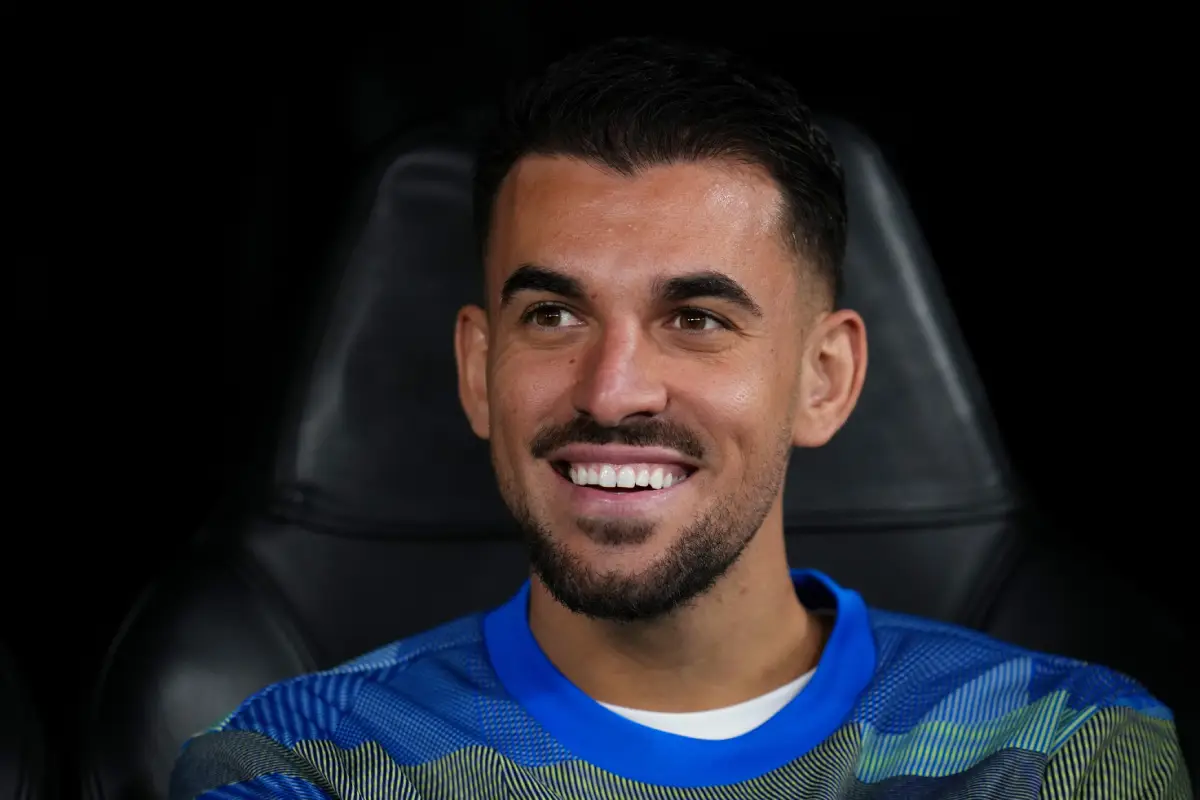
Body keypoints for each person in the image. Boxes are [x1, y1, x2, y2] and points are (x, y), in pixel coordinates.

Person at [169, 36, 1191, 800]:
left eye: (697, 319)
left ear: (824, 379)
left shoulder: (1060, 750)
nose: (613, 390)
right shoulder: (303, 763)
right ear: (478, 371)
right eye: (554, 315)